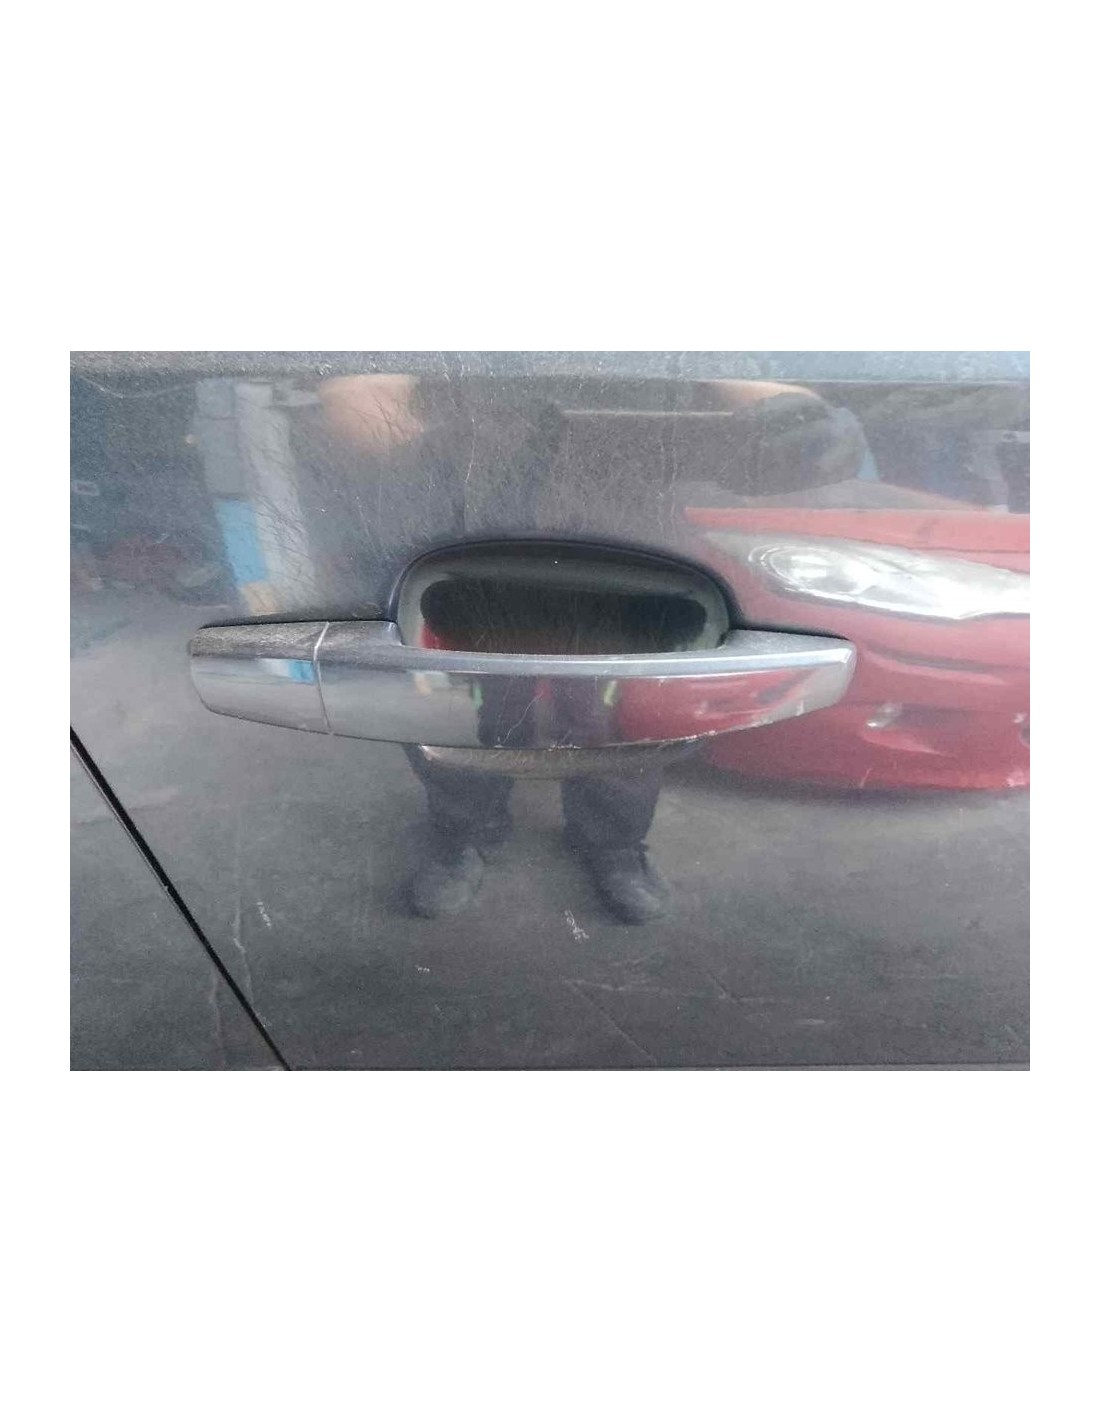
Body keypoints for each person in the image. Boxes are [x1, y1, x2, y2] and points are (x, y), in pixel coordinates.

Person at [312, 371, 879, 925]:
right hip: (471, 547)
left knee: (616, 719)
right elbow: (357, 404)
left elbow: (805, 443)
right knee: (465, 713)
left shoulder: (669, 352)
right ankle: (463, 834)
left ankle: (613, 844)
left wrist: (729, 373)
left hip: (621, 558)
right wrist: (392, 419)